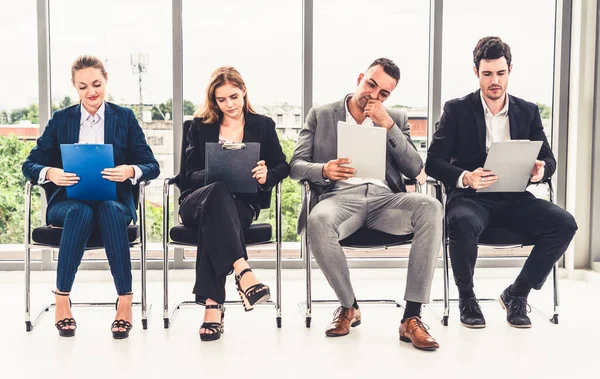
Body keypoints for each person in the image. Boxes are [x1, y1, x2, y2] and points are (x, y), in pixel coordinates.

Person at [290, 58, 442, 351]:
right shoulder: (322, 115)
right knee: (318, 220)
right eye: (371, 84)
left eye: (384, 93)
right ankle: (349, 307)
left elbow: (414, 168)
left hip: (386, 201)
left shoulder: (395, 118)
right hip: (339, 199)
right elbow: (296, 165)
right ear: (360, 77)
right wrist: (324, 170)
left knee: (431, 207)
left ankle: (411, 317)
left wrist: (387, 126)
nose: (374, 95)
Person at [425, 36, 578, 329]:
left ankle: (517, 294)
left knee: (564, 224)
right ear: (476, 72)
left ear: (510, 70)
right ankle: (467, 298)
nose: (494, 81)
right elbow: (433, 162)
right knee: (461, 222)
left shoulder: (528, 111)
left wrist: (540, 171)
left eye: (500, 73)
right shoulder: (456, 110)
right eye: (487, 74)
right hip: (471, 198)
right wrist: (465, 177)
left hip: (515, 198)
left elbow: (549, 159)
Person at [22, 55, 160, 339]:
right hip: (68, 203)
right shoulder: (62, 120)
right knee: (80, 212)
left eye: (96, 84)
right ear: (74, 87)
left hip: (115, 202)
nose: (91, 92)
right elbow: (30, 165)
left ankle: (125, 302)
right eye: (83, 87)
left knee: (108, 210)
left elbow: (152, 166)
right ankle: (62, 299)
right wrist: (51, 173)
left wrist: (129, 170)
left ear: (106, 79)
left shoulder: (124, 118)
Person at [179, 66, 290, 341]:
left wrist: (267, 175)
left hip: (240, 205)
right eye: (221, 99)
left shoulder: (262, 125)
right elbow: (186, 176)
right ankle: (244, 271)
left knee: (214, 221)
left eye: (234, 97)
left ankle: (213, 307)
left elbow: (282, 166)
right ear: (213, 100)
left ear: (244, 92)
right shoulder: (199, 126)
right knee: (217, 191)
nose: (229, 104)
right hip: (197, 200)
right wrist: (217, 170)